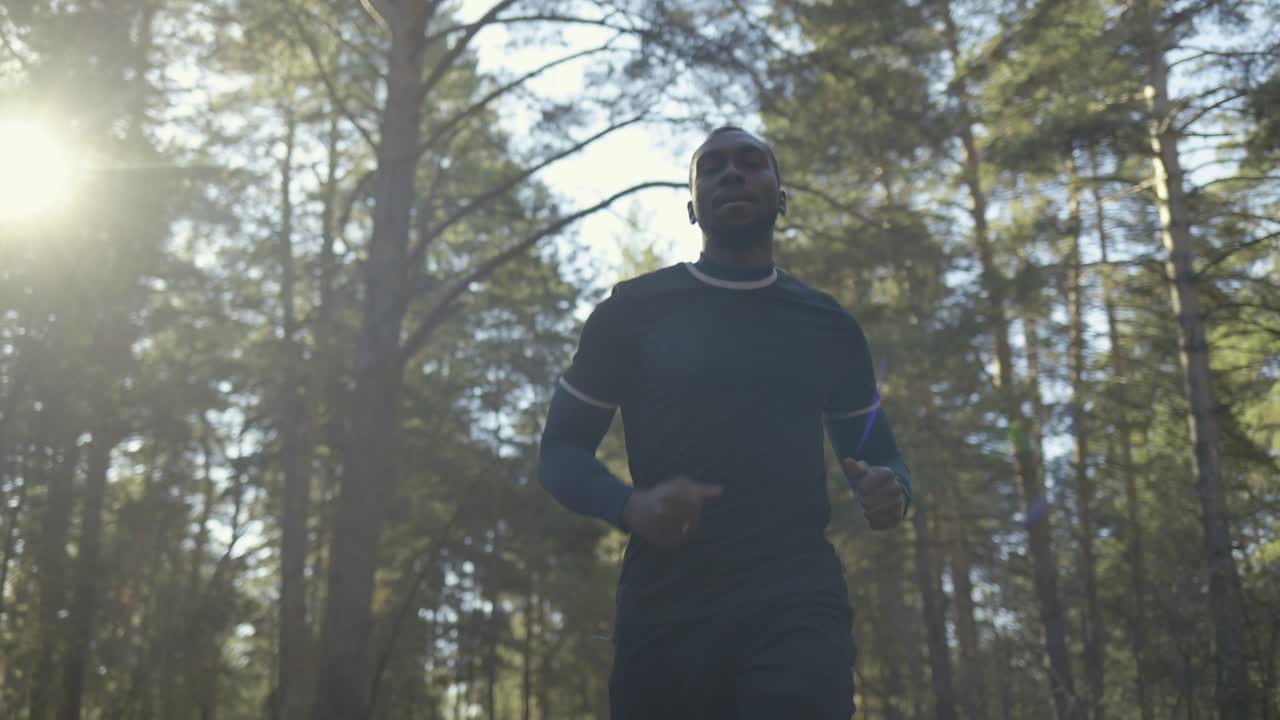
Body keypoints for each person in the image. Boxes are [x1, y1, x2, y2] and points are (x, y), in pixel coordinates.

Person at [537, 126, 912, 719]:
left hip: (796, 600)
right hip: (665, 607)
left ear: (781, 196)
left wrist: (894, 490)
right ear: (692, 207)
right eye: (711, 167)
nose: (731, 173)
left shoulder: (828, 325)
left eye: (750, 162)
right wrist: (630, 506)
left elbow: (884, 455)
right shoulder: (631, 312)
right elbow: (558, 451)